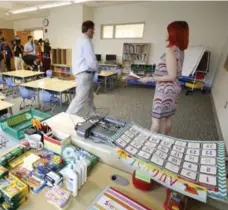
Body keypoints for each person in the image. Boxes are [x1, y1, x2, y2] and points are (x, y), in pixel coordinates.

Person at [139, 21, 189, 135]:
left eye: (168, 31)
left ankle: (151, 143)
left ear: (173, 33)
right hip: (174, 88)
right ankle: (164, 140)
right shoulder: (180, 50)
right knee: (168, 118)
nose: (166, 33)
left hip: (165, 89)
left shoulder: (171, 50)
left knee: (156, 120)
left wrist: (150, 79)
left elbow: (171, 75)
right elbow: (173, 72)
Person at [66, 20, 98, 116]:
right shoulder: (86, 41)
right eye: (93, 30)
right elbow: (91, 59)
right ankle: (66, 117)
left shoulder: (79, 40)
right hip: (85, 74)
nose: (93, 32)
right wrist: (97, 68)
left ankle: (92, 113)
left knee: (89, 96)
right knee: (80, 99)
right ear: (89, 30)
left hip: (82, 73)